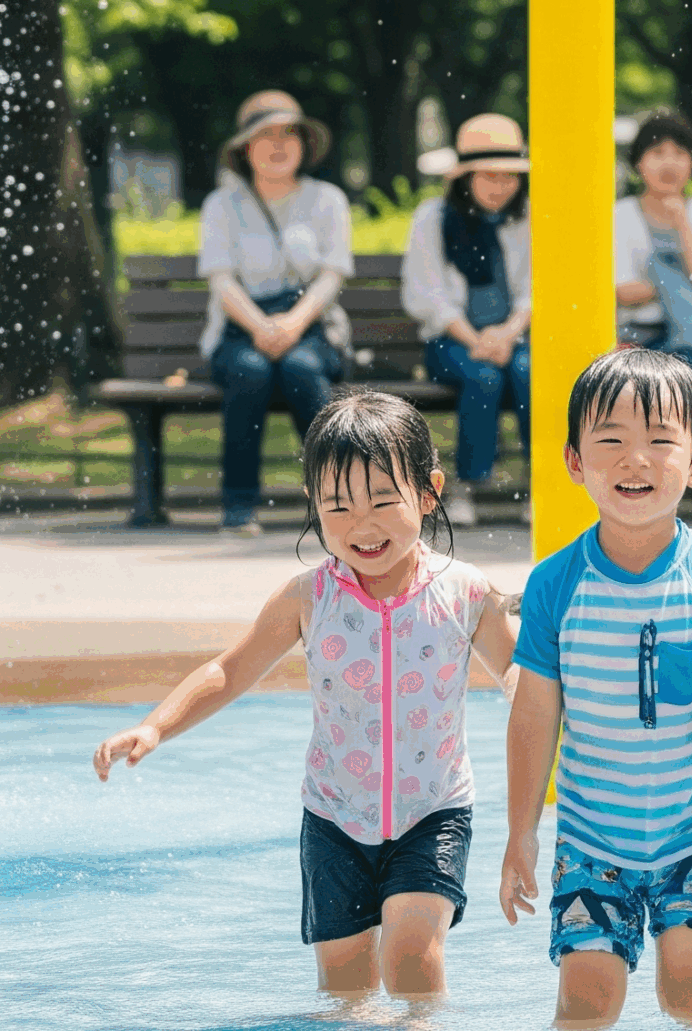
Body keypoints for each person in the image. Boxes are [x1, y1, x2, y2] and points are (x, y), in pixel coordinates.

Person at [92, 390, 516, 999]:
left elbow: (520, 675)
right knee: (345, 986)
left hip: (433, 811)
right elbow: (230, 671)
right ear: (313, 504)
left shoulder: (466, 592)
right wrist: (155, 726)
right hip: (334, 818)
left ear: (428, 492)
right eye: (338, 506)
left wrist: (567, 712)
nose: (361, 526)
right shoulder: (308, 597)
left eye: (382, 501)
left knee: (411, 957)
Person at [499, 349, 692, 1027]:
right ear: (574, 461)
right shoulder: (556, 584)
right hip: (592, 843)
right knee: (587, 998)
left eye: (659, 442)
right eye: (610, 441)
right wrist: (521, 832)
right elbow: (534, 714)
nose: (634, 459)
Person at [196, 91, 354, 534]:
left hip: (312, 326)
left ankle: (337, 504)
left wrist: (294, 323)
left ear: (305, 143)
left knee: (303, 369)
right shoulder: (221, 205)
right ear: (245, 148)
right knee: (250, 372)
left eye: (289, 134)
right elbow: (222, 281)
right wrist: (262, 327)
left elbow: (331, 275)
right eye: (265, 135)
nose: (279, 144)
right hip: (241, 328)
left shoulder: (327, 199)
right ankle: (239, 506)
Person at [402, 113, 533, 528]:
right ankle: (468, 485)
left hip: (515, 335)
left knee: (531, 371)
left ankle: (540, 481)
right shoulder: (433, 218)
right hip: (452, 338)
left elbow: (539, 286)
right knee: (483, 376)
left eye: (509, 176)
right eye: (488, 175)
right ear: (465, 177)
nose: (501, 185)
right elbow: (427, 294)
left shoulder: (530, 218)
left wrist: (507, 333)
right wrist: (476, 339)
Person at [613, 112, 692, 528]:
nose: (668, 162)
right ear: (638, 163)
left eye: (680, 152)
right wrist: (677, 281)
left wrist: (680, 222)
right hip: (638, 334)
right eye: (656, 152)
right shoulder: (619, 216)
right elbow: (619, 290)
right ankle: (633, 498)